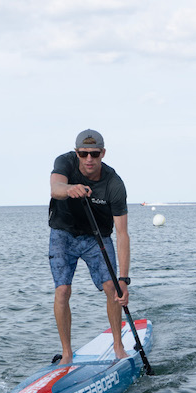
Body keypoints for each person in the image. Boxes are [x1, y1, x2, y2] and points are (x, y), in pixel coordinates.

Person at [48, 129, 131, 364]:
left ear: (102, 153)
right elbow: (55, 188)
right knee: (62, 290)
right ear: (77, 153)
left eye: (94, 153)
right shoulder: (64, 162)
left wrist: (123, 279)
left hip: (97, 237)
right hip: (63, 234)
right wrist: (68, 189)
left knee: (113, 289)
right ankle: (66, 353)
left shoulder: (114, 184)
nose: (89, 159)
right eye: (83, 154)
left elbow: (123, 234)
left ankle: (118, 345)